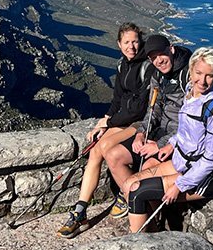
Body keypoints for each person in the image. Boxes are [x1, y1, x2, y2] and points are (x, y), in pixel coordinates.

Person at [57, 23, 154, 238]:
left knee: (105, 146)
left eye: (135, 41)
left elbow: (139, 108)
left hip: (140, 122)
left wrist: (109, 125)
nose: (131, 46)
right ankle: (80, 211)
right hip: (124, 119)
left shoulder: (147, 66)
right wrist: (106, 119)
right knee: (94, 150)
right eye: (127, 42)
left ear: (141, 42)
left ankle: (125, 194)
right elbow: (117, 99)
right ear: (119, 44)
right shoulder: (123, 65)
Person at [122, 47, 213, 233]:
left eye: (209, 76)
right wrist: (172, 144)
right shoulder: (190, 92)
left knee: (137, 192)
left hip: (201, 176)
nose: (202, 81)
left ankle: (139, 242)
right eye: (198, 73)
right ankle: (151, 235)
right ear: (191, 70)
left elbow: (211, 159)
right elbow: (186, 130)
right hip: (182, 162)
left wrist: (179, 186)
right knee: (128, 184)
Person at [102, 34, 192, 208]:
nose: (159, 60)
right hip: (159, 131)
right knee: (113, 156)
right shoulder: (157, 75)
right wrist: (141, 133)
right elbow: (153, 109)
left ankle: (147, 211)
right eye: (153, 58)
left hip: (178, 139)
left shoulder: (188, 76)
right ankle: (134, 203)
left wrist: (159, 145)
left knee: (147, 170)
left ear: (171, 49)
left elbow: (191, 124)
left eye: (161, 54)